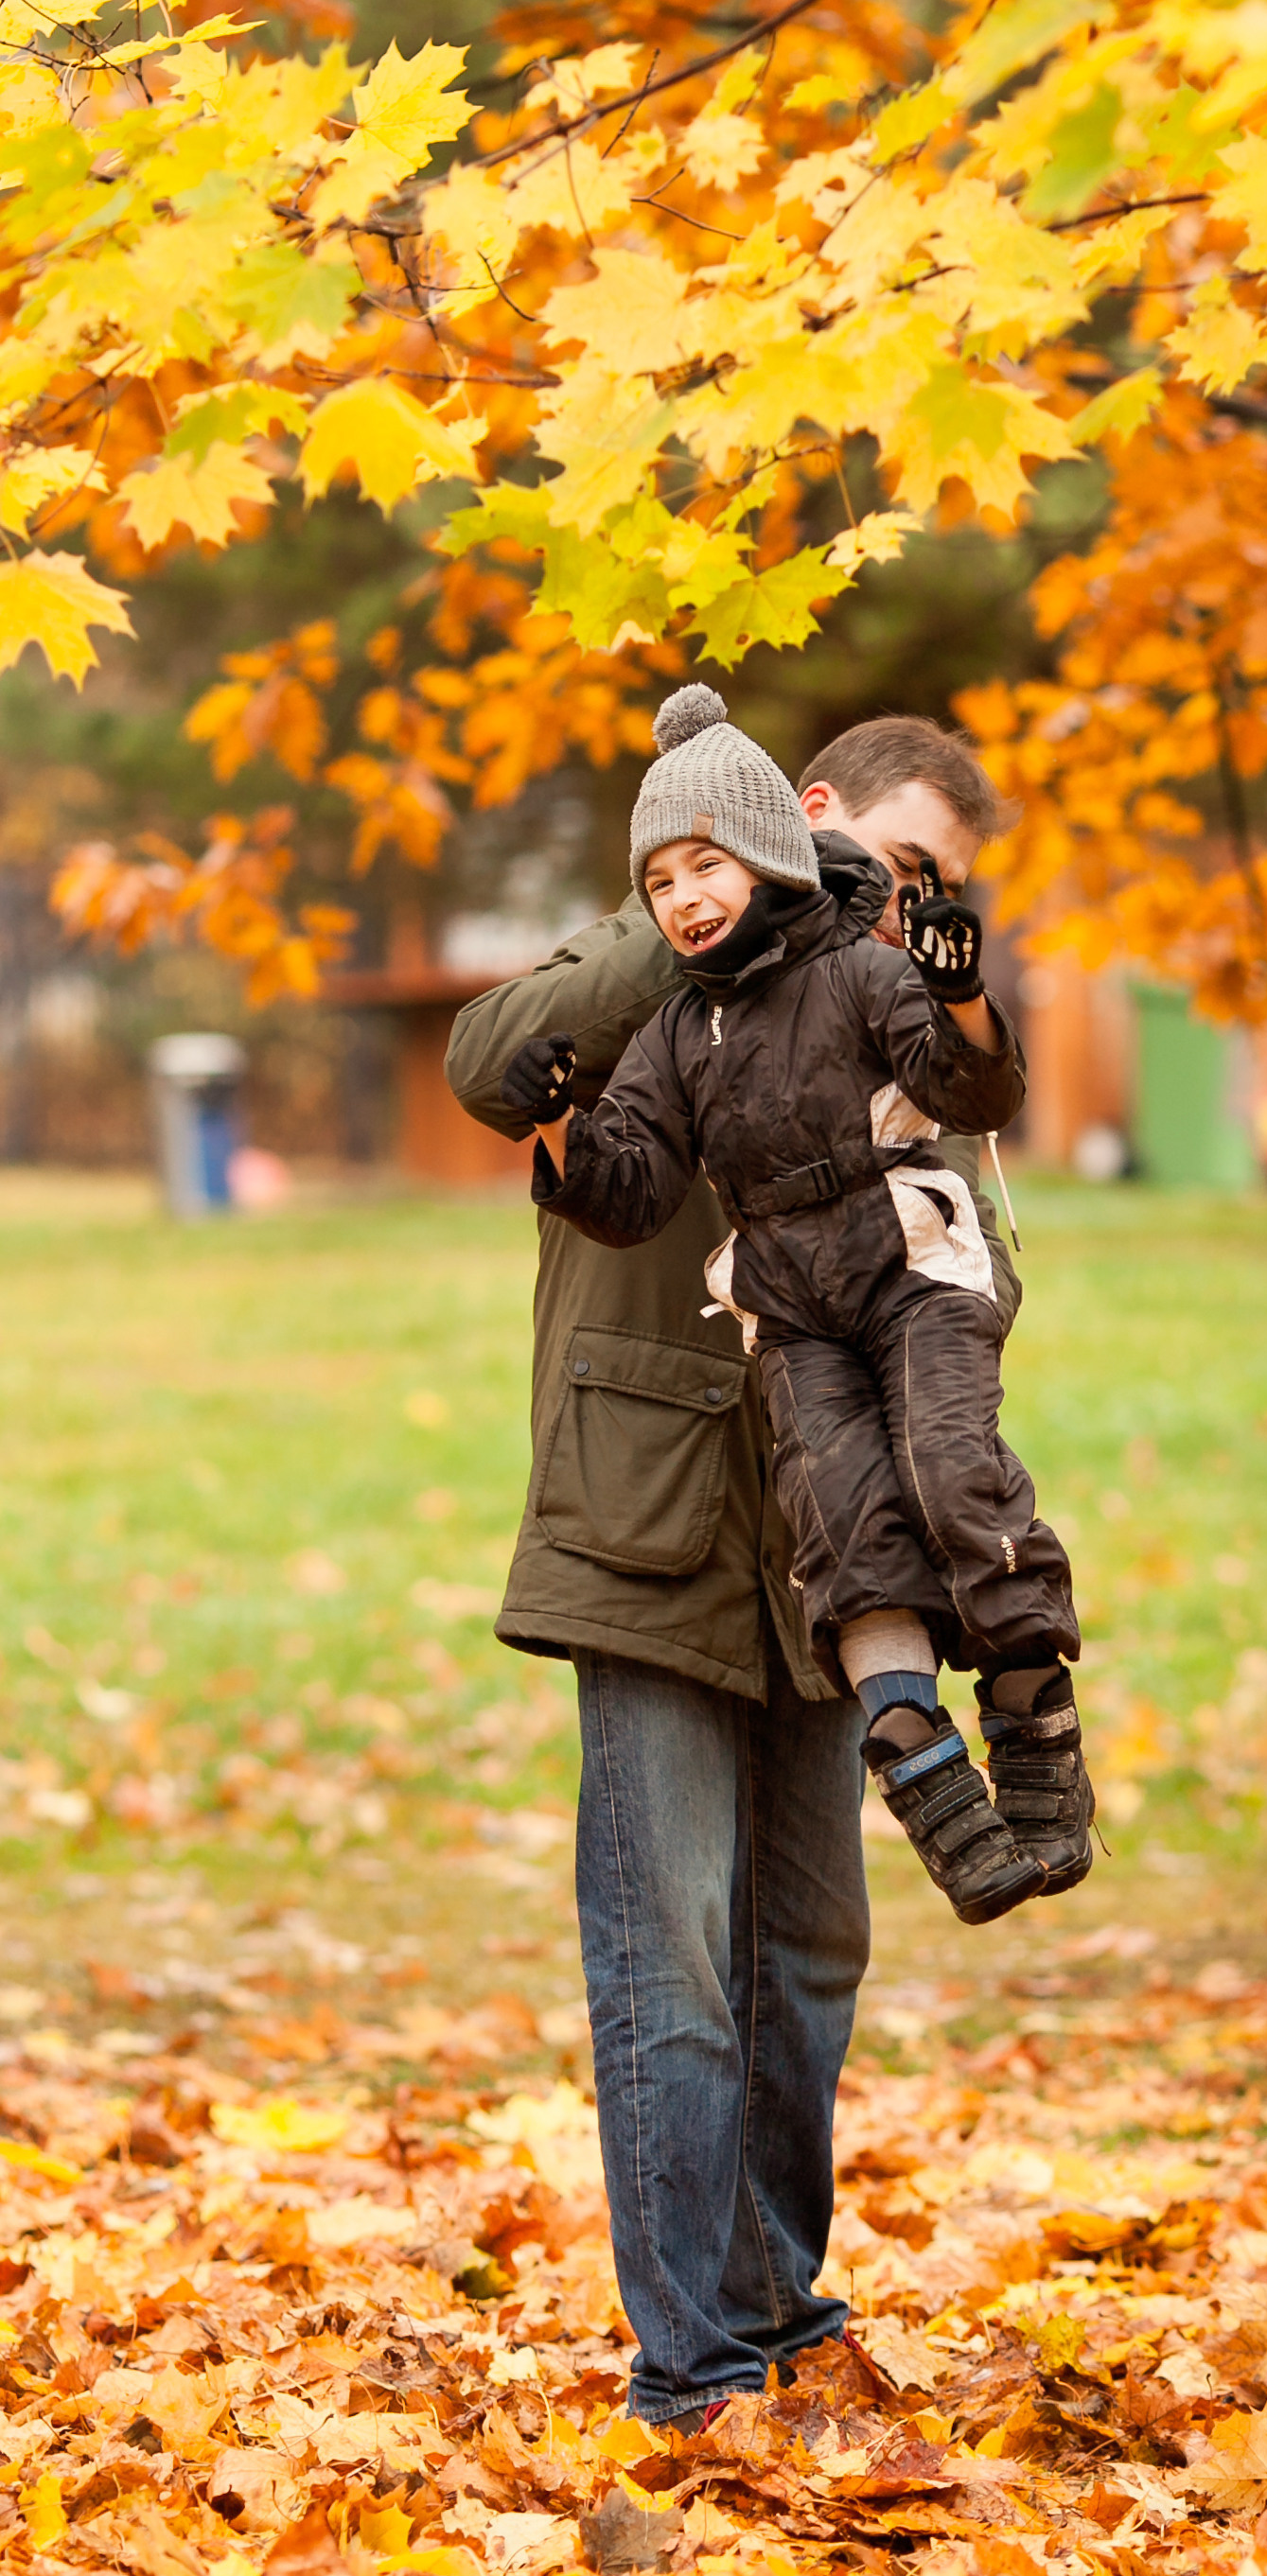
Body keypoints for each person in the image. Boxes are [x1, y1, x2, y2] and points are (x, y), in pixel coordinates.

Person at [445, 710, 1026, 2435]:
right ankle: (691, 2363)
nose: (905, 906)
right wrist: (712, 886)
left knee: (809, 1948)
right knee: (671, 1959)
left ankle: (776, 2312)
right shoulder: (672, 943)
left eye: (938, 892)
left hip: (821, 1530)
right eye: (892, 869)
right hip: (651, 1505)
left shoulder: (883, 999)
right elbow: (491, 1065)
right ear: (818, 822)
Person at [500, 688, 1091, 1924]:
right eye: (659, 880)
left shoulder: (858, 973)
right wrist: (556, 1112)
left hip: (909, 1260)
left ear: (772, 851)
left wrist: (962, 991)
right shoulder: (675, 1030)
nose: (685, 896)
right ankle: (937, 1795)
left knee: (945, 1471)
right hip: (793, 1296)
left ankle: (1035, 1728)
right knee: (846, 1534)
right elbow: (628, 1190)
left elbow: (969, 1089)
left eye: (705, 862)